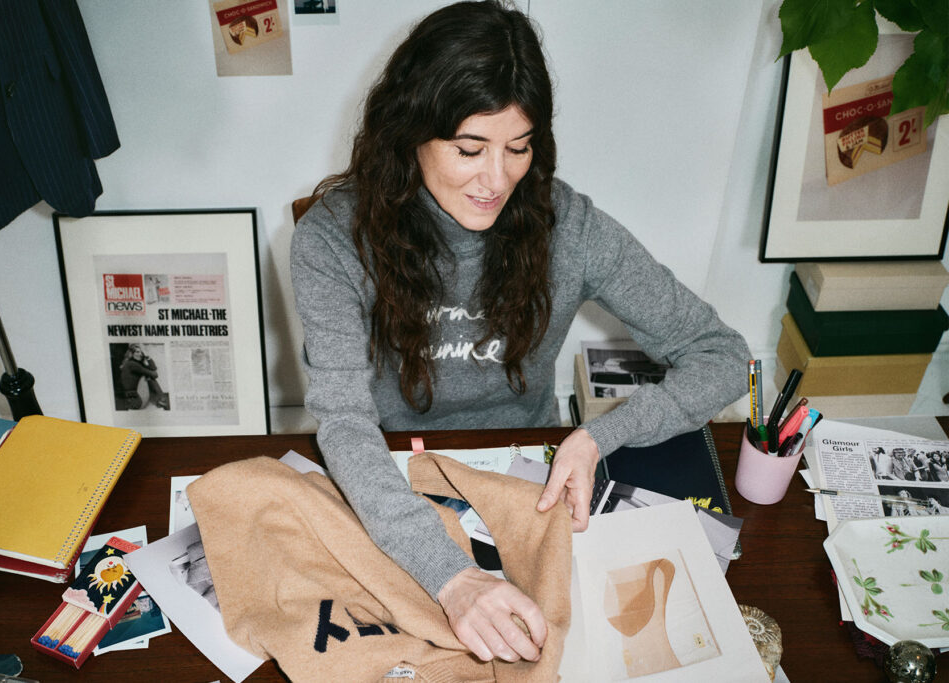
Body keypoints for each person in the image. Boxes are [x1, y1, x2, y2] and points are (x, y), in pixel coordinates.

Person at [290, 0, 749, 664]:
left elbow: (724, 356)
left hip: (528, 482)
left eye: (520, 147)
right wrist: (448, 574)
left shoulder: (568, 225)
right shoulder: (333, 240)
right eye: (470, 149)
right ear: (410, 130)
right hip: (394, 484)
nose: (497, 178)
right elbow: (343, 421)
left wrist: (600, 433)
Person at [119, 344, 168, 410]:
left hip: (131, 398)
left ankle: (161, 399)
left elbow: (153, 368)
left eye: (141, 352)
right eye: (137, 352)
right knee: (148, 376)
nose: (140, 354)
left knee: (147, 375)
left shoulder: (132, 363)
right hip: (136, 401)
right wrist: (151, 372)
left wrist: (148, 358)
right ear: (131, 354)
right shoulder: (132, 364)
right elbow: (155, 374)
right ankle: (162, 399)